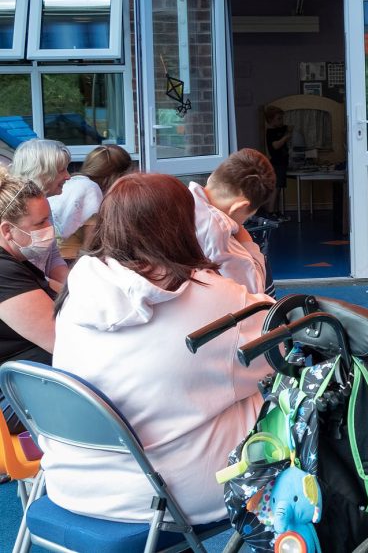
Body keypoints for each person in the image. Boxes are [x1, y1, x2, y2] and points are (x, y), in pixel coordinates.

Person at [40, 172, 273, 523]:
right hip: (168, 493)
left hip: (69, 481)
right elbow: (281, 345)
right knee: (281, 392)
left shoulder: (81, 285)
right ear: (182, 226)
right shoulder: (213, 297)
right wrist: (247, 250)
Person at [0, 169, 56, 434]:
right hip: (10, 396)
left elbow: (60, 289)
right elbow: (62, 340)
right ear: (8, 231)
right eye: (40, 223)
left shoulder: (16, 262)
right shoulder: (3, 272)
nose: (50, 230)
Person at [190, 148, 276, 295]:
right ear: (240, 206)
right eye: (247, 216)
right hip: (211, 311)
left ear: (211, 177)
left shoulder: (182, 198)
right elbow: (254, 290)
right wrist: (248, 243)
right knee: (261, 264)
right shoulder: (218, 229)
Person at [49, 143, 133, 261]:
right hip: (67, 260)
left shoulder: (72, 181)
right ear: (116, 175)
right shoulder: (91, 190)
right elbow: (89, 248)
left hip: (52, 257)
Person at [10, 138, 71, 284]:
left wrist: (74, 284)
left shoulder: (44, 205)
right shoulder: (12, 210)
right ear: (41, 172)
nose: (68, 176)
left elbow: (52, 257)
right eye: (61, 170)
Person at [264, 104, 291, 221]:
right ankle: (270, 213)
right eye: (278, 119)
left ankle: (276, 211)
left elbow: (290, 128)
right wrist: (286, 137)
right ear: (271, 120)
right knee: (276, 188)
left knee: (279, 189)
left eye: (282, 118)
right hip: (276, 163)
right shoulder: (270, 132)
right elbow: (275, 145)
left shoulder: (281, 129)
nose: (281, 121)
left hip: (282, 163)